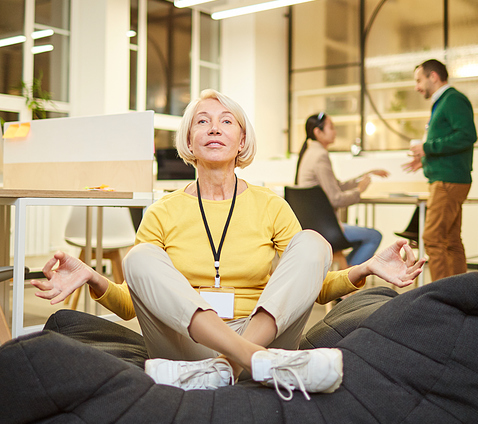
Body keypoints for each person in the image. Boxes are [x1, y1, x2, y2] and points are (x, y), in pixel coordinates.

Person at [33, 90, 424, 401]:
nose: (214, 128)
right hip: (184, 342)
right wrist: (93, 278)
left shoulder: (271, 205)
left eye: (226, 121)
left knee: (313, 243)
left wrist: (365, 267)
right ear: (189, 140)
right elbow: (136, 302)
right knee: (140, 257)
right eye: (202, 121)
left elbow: (312, 286)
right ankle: (251, 362)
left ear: (241, 141)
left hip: (262, 331)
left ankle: (231, 363)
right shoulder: (163, 210)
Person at [402, 59, 477, 281]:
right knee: (450, 240)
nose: (417, 87)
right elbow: (451, 142)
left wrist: (427, 147)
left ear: (433, 76)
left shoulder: (452, 100)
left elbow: (466, 135)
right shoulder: (444, 102)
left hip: (447, 181)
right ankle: (459, 296)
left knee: (432, 238)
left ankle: (442, 300)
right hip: (449, 178)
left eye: (419, 80)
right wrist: (425, 160)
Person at [295, 112, 389, 264]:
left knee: (363, 238)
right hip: (326, 228)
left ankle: (344, 273)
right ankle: (347, 277)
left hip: (314, 225)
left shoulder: (310, 153)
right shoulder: (320, 156)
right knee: (374, 236)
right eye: (331, 127)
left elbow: (336, 186)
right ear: (318, 132)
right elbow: (336, 199)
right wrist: (359, 191)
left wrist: (366, 175)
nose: (335, 131)